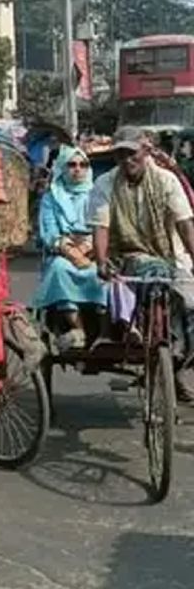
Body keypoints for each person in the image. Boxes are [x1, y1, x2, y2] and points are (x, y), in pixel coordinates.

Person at [88, 126, 194, 398]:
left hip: (172, 257)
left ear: (145, 152)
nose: (127, 160)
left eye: (132, 153)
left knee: (190, 304)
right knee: (150, 272)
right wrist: (101, 262)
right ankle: (155, 342)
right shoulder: (105, 184)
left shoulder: (167, 181)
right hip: (127, 258)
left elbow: (185, 225)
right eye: (120, 155)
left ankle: (177, 364)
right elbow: (100, 227)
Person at [32, 145, 107, 350]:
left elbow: (104, 225)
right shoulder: (51, 197)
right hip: (63, 251)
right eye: (72, 165)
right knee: (58, 268)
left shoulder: (97, 194)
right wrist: (70, 251)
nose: (77, 169)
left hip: (94, 249)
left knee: (103, 272)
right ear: (63, 168)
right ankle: (77, 328)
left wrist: (89, 248)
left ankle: (105, 332)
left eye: (83, 165)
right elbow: (49, 231)